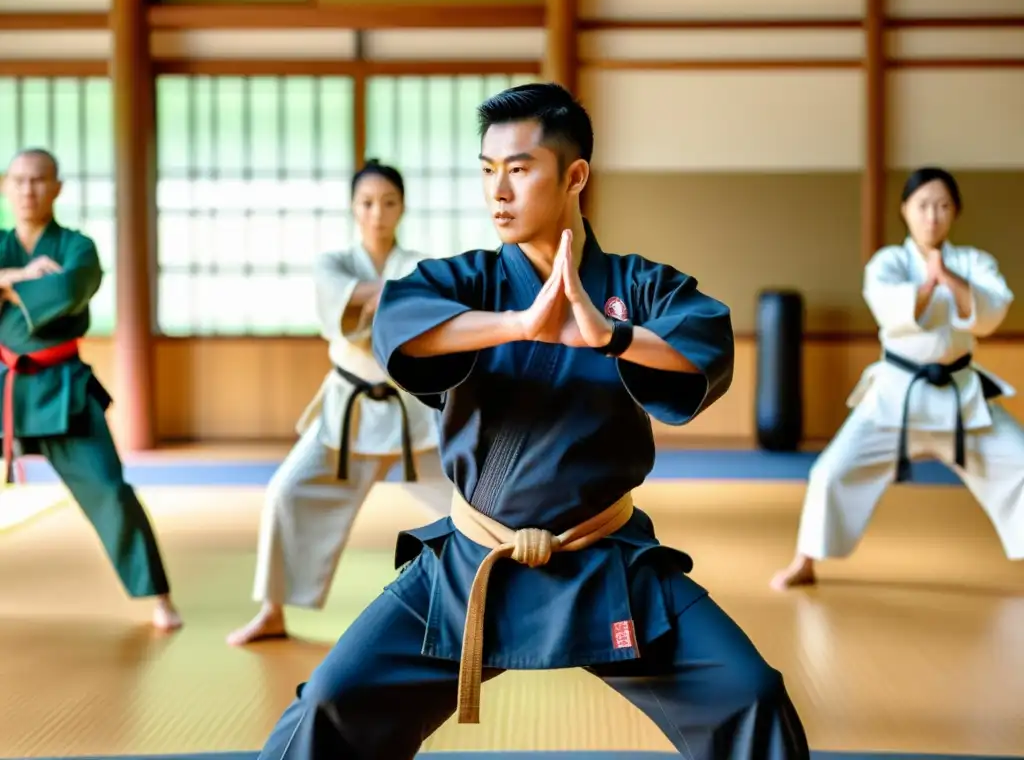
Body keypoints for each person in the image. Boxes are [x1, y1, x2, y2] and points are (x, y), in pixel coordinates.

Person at [255, 84, 809, 759]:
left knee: (751, 696)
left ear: (574, 175)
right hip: (470, 562)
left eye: (519, 169)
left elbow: (704, 340)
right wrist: (518, 325)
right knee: (329, 704)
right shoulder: (471, 281)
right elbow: (400, 320)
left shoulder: (636, 285)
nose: (499, 192)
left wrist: (611, 336)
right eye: (487, 172)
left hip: (606, 562)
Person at [228, 160, 449, 646]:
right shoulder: (334, 263)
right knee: (287, 491)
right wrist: (392, 295)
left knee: (470, 500)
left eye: (389, 202)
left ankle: (492, 598)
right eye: (368, 203)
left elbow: (425, 305)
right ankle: (272, 611)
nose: (378, 213)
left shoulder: (416, 261)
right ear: (354, 208)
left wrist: (379, 297)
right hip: (347, 410)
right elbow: (349, 306)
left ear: (402, 207)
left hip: (411, 409)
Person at [771, 167, 1022, 591]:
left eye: (943, 206)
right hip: (896, 396)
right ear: (905, 209)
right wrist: (929, 281)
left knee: (1020, 462)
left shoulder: (974, 262)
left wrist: (950, 277)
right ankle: (805, 561)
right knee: (831, 471)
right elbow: (893, 311)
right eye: (923, 205)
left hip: (962, 398)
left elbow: (990, 316)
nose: (933, 216)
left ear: (955, 212)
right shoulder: (888, 262)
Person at [0, 148, 181, 631]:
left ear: (57, 187)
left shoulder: (78, 248)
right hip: (5, 387)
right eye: (18, 180)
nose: (28, 189)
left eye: (39, 180)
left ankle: (158, 595)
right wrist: (19, 276)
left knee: (110, 489)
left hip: (65, 389)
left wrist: (3, 288)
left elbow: (70, 290)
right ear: (4, 186)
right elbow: (37, 287)